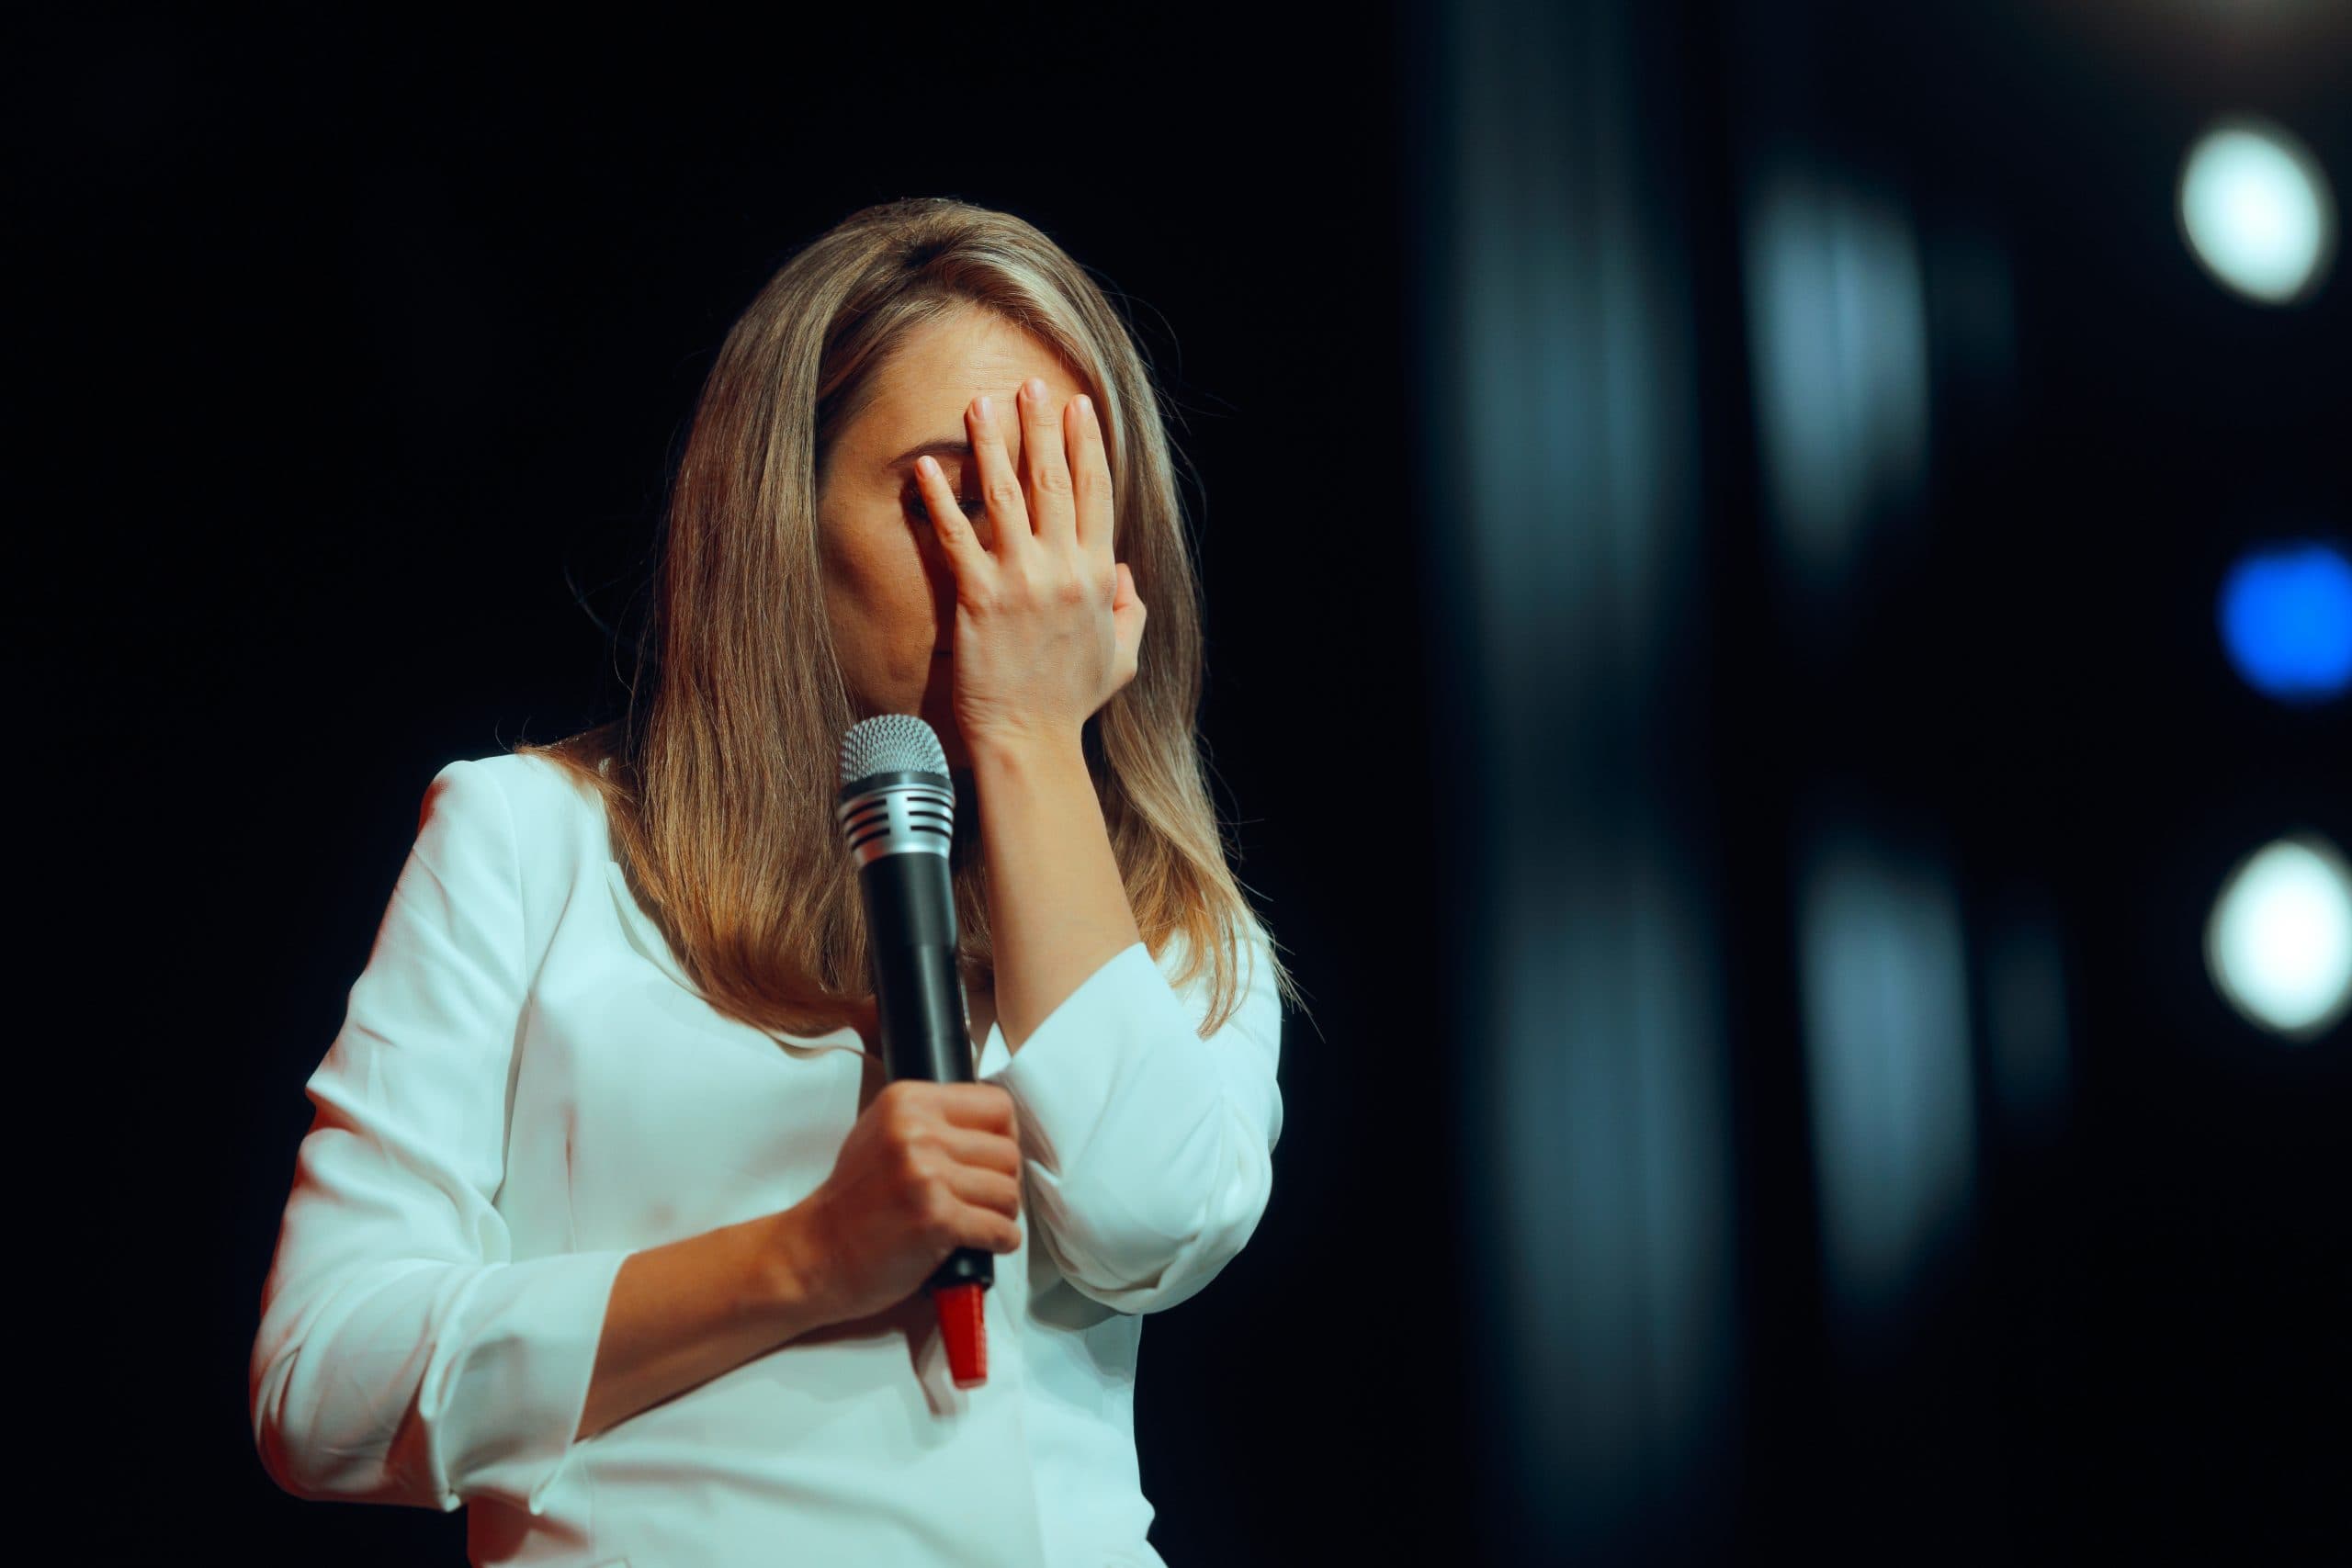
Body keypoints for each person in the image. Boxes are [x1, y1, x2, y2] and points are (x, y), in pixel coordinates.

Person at [249, 197, 1306, 1568]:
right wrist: (808, 1256)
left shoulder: (1170, 920)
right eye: (954, 494)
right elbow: (324, 1387)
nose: (1017, 573)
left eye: (1060, 503)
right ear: (780, 518)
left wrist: (1030, 739)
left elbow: (1146, 1222)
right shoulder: (530, 840)